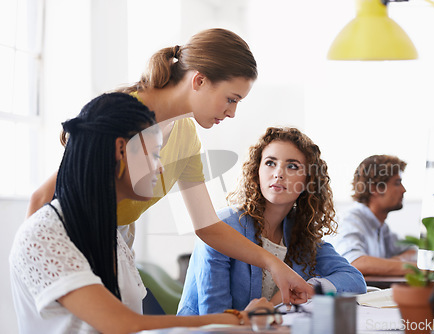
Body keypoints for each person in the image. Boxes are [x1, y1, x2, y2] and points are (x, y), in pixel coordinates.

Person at [25, 28, 313, 304]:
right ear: (199, 81)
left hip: (117, 246)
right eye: (230, 99)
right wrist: (34, 279)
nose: (232, 112)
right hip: (73, 243)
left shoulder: (186, 135)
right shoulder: (121, 114)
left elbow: (207, 226)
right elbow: (43, 198)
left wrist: (274, 264)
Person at [9, 93, 273, 333]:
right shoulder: (45, 233)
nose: (160, 168)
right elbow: (124, 324)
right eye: (156, 153)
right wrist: (237, 319)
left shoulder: (111, 236)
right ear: (121, 149)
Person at [177, 127, 366, 315]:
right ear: (256, 171)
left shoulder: (301, 235)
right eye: (270, 163)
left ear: (308, 181)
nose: (278, 173)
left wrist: (310, 287)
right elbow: (215, 317)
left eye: (292, 166)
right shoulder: (222, 226)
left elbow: (355, 280)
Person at [328, 154, 417, 276]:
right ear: (375, 188)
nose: (403, 190)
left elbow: (413, 251)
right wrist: (415, 269)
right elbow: (355, 262)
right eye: (397, 183)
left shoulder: (381, 227)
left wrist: (396, 261)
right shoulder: (350, 221)